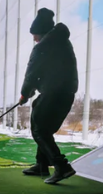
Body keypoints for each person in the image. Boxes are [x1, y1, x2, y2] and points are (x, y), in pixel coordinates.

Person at [19, 8, 79, 184]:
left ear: (42, 32)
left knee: (40, 130)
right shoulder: (63, 42)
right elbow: (47, 71)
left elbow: (32, 73)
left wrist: (24, 94)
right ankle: (42, 165)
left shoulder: (43, 47)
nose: (34, 38)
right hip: (65, 93)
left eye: (35, 34)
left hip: (53, 93)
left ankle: (62, 167)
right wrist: (32, 92)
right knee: (41, 125)